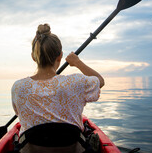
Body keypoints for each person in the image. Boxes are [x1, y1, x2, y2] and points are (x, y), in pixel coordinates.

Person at [11, 23, 104, 152]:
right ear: (60, 56)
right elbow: (100, 81)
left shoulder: (18, 88)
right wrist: (77, 62)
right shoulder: (76, 82)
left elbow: (18, 113)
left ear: (33, 56)